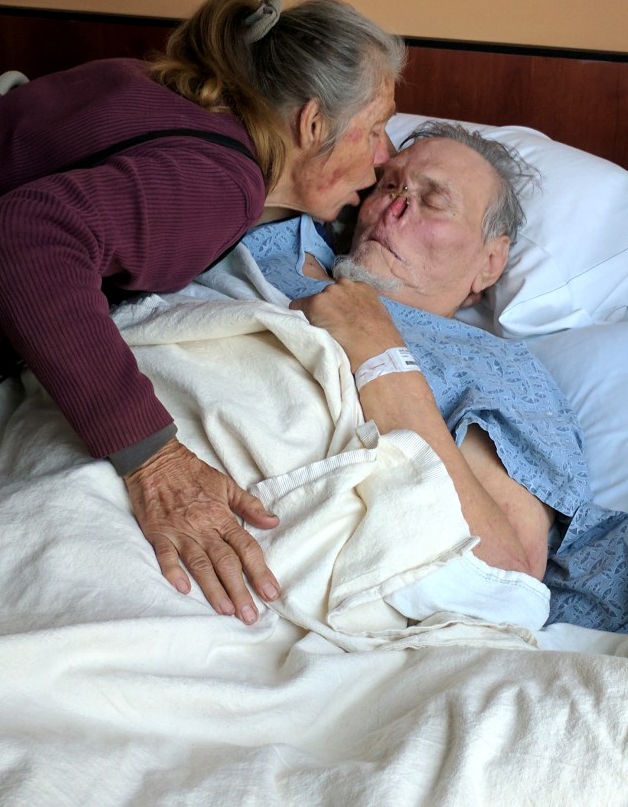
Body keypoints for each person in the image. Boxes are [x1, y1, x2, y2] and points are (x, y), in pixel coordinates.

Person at [0, 0, 404, 625]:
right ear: (312, 124)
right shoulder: (223, 184)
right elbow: (21, 237)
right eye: (374, 129)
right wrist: (154, 457)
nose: (382, 156)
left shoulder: (157, 87)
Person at [243, 121, 628, 631]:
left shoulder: (500, 373)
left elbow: (499, 574)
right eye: (389, 185)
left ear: (490, 263)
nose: (394, 206)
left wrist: (378, 351)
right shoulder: (269, 239)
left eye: (434, 201)